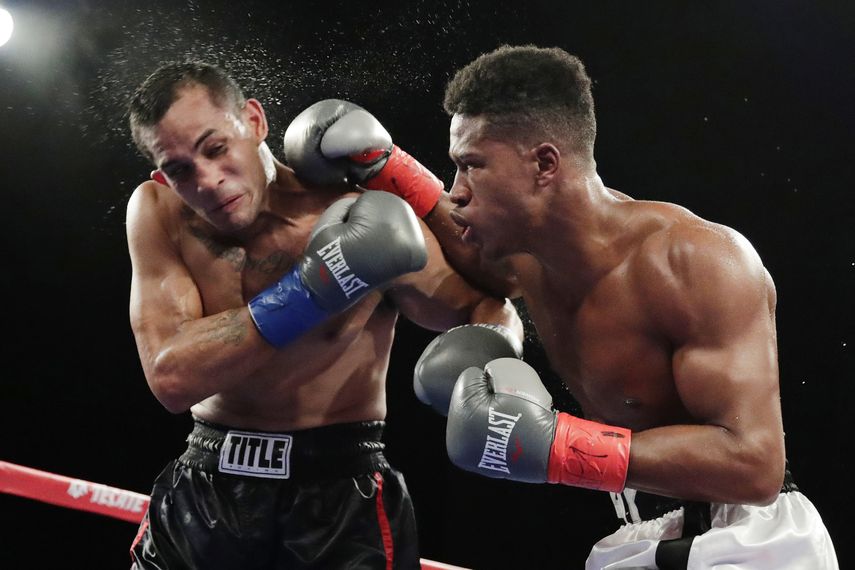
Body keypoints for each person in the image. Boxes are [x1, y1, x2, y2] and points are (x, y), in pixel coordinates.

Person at [413, 45, 839, 569]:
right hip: (637, 531)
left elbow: (755, 466)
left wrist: (558, 447)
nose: (456, 191)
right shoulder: (528, 257)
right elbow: (451, 232)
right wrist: (388, 168)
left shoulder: (694, 261)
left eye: (471, 166)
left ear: (544, 164)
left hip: (751, 541)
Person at [124, 61, 522, 569]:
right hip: (208, 484)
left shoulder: (357, 211)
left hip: (338, 498)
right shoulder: (159, 211)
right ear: (162, 175)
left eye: (215, 147)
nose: (208, 180)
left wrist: (497, 356)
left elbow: (490, 296)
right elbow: (171, 378)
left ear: (253, 121)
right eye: (180, 170)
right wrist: (318, 288)